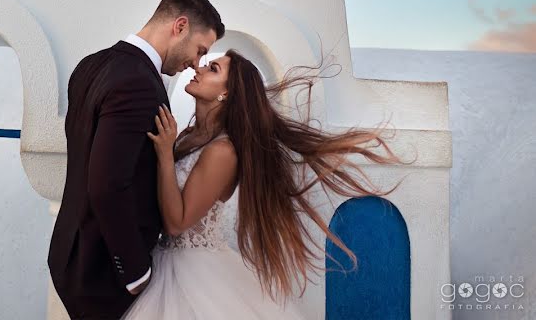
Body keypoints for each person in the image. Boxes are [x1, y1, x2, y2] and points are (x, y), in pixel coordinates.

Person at [119, 48, 409, 319]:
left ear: (226, 94)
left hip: (192, 272)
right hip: (162, 261)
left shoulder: (223, 152)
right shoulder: (189, 136)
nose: (200, 67)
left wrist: (164, 155)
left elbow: (177, 223)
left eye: (213, 69)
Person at [47, 0, 225, 320]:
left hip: (70, 254)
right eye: (200, 50)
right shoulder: (139, 82)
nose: (195, 64)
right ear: (180, 26)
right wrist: (136, 272)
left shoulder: (91, 65)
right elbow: (106, 184)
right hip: (107, 272)